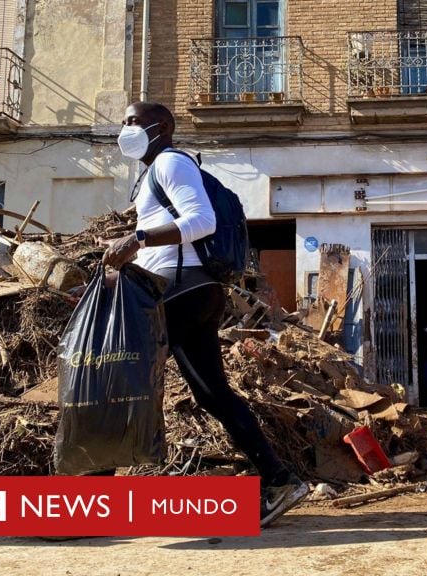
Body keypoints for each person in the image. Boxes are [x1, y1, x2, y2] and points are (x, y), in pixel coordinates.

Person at [101, 101, 308, 527]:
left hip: (180, 290)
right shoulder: (152, 172)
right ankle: (279, 479)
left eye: (134, 122)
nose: (126, 129)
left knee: (122, 381)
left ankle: (89, 502)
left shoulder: (171, 163)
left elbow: (202, 221)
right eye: (123, 122)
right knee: (211, 393)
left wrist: (137, 239)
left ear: (161, 127)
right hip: (192, 292)